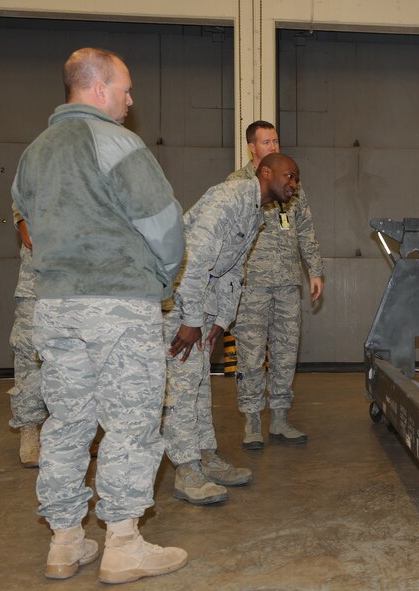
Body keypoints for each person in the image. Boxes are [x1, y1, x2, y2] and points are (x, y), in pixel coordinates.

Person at [11, 47, 187, 584]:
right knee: (130, 422)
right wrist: (163, 275)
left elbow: (28, 220)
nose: (132, 101)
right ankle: (124, 545)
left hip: (55, 307)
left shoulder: (34, 153)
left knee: (67, 422)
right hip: (118, 305)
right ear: (98, 88)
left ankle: (65, 543)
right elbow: (164, 225)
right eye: (126, 89)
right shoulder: (117, 143)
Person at [162, 153, 302, 504]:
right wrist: (192, 320)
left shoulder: (257, 211)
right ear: (265, 172)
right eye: (289, 175)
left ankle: (206, 455)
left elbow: (233, 271)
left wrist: (222, 321)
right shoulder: (230, 197)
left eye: (297, 179)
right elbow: (192, 258)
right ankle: (186, 469)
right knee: (181, 388)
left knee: (198, 386)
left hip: (204, 307)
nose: (293, 184)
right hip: (180, 305)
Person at [228, 121, 323, 449]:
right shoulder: (238, 184)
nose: (272, 145)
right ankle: (252, 421)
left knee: (285, 352)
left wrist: (315, 270)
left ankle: (280, 418)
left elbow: (305, 228)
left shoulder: (291, 183)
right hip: (250, 284)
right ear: (252, 147)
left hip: (286, 282)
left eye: (275, 140)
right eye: (265, 141)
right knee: (251, 354)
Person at [8, 211, 47, 468]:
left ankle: (84, 429)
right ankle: (30, 430)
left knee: (83, 356)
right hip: (38, 279)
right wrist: (22, 219)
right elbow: (21, 198)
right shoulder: (39, 169)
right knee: (29, 354)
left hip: (84, 281)